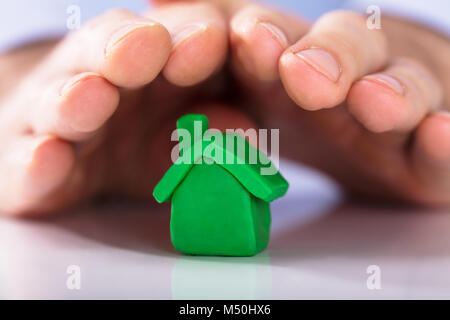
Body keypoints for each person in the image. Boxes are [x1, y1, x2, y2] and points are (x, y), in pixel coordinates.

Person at [0, 0, 448, 216]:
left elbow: (267, 188)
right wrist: (16, 66)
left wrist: (429, 41)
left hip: (345, 61)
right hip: (84, 72)